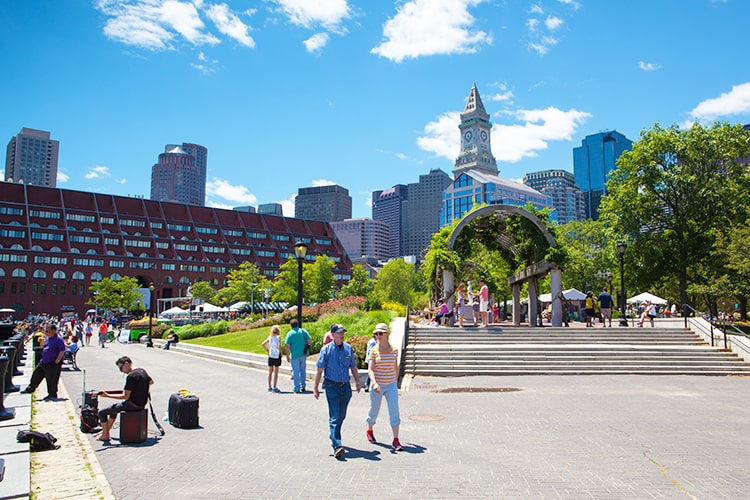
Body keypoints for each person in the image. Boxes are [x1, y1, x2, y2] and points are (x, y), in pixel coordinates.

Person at [312, 324, 361, 459]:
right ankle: (337, 445)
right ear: (332, 335)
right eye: (339, 333)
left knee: (341, 415)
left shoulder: (348, 349)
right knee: (335, 416)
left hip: (345, 387)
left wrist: (357, 382)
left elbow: (353, 367)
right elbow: (319, 370)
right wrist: (315, 387)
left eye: (343, 333)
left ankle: (333, 435)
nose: (342, 335)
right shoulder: (326, 350)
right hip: (331, 386)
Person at [96, 356, 153, 441]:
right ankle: (106, 431)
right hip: (141, 404)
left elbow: (125, 396)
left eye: (121, 368)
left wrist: (107, 395)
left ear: (126, 363)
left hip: (133, 405)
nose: (121, 371)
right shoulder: (142, 371)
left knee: (101, 412)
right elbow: (151, 382)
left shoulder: (131, 376)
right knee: (113, 409)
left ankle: (105, 436)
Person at [365, 323, 403, 452]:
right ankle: (369, 429)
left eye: (381, 333)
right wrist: (374, 383)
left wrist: (395, 383)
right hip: (378, 385)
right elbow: (370, 369)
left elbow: (395, 367)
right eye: (376, 334)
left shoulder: (394, 350)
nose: (378, 336)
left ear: (387, 334)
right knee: (374, 411)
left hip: (391, 385)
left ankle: (396, 439)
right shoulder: (374, 350)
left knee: (394, 411)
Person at [21, 324, 65, 401]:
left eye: (47, 331)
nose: (45, 332)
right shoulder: (47, 338)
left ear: (53, 331)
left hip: (53, 363)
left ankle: (52, 394)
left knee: (51, 379)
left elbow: (62, 350)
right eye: (45, 330)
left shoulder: (59, 339)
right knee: (36, 374)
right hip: (44, 361)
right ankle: (30, 388)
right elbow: (45, 347)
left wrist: (58, 360)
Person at [285, 319, 311, 393]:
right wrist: (306, 345)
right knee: (303, 370)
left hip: (294, 355)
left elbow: (287, 345)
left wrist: (287, 355)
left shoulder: (290, 334)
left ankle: (297, 387)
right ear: (298, 324)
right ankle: (303, 385)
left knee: (296, 371)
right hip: (303, 354)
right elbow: (309, 340)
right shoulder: (303, 331)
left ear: (291, 325)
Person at [262, 325, 282, 393]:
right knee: (276, 371)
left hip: (271, 354)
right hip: (276, 355)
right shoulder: (278, 337)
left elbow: (263, 344)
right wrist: (281, 352)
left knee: (270, 371)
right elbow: (279, 345)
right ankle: (274, 386)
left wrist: (267, 350)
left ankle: (269, 386)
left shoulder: (270, 337)